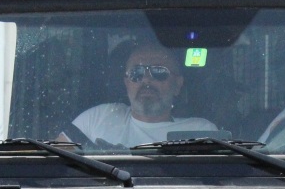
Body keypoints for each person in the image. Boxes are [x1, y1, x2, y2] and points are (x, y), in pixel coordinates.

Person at [61, 42, 215, 147]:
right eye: (136, 73)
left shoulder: (201, 133)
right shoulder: (99, 118)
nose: (146, 79)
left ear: (177, 85)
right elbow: (52, 165)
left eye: (159, 72)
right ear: (127, 82)